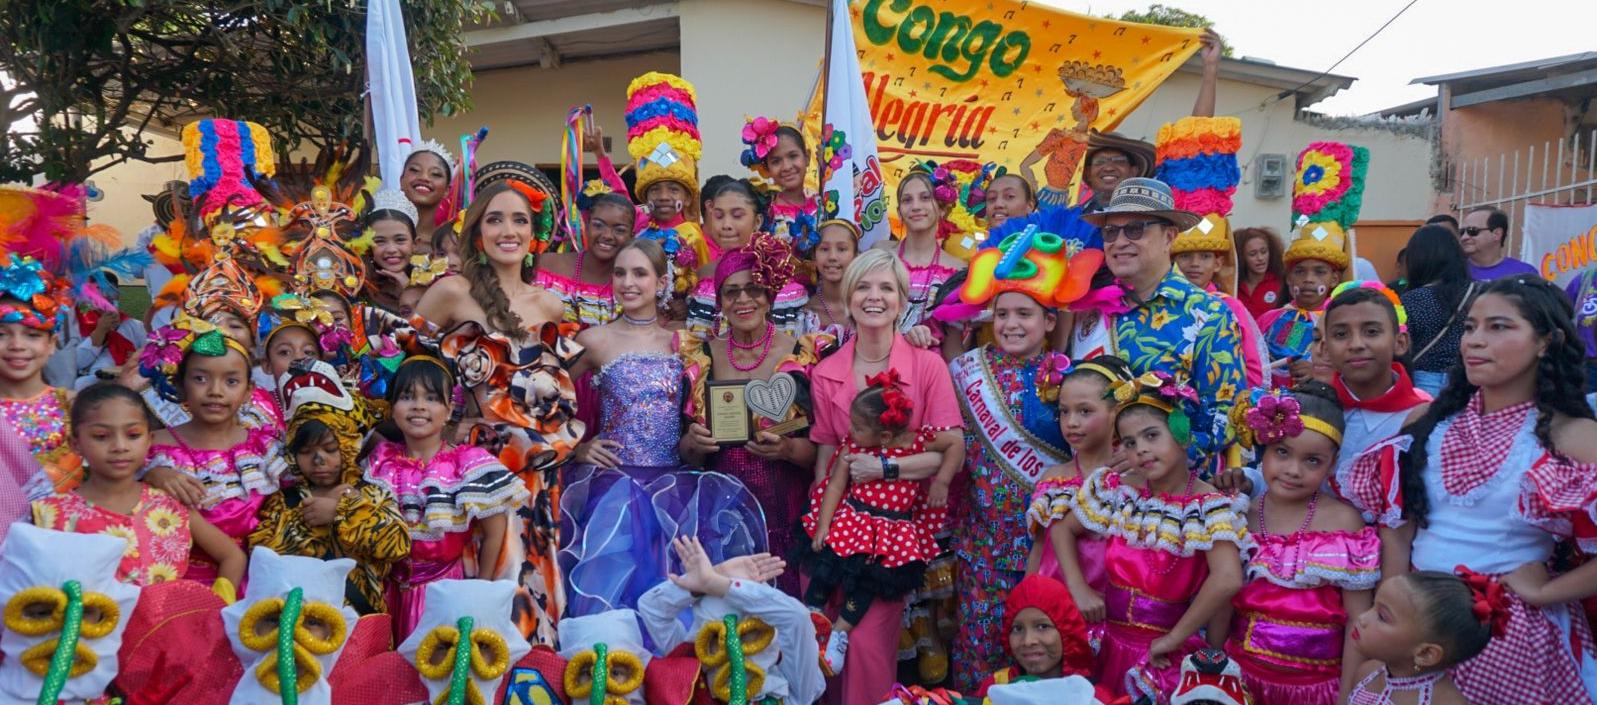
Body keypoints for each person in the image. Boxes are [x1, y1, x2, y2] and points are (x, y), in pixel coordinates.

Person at [1342, 275, 1597, 703]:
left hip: (1511, 632)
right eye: (1469, 327)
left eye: (1498, 327)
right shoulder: (1428, 422)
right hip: (1420, 627)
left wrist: (1545, 592)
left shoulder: (1572, 435)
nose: (1475, 340)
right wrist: (1394, 614)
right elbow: (1399, 532)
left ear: (1545, 342)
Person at [560, 239, 766, 615]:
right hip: (615, 490)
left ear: (662, 282)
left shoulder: (686, 343)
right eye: (620, 273)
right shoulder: (594, 340)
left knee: (675, 597)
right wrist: (576, 446)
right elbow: (545, 397)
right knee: (614, 597)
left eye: (639, 273)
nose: (628, 282)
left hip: (676, 492)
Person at [807, 249, 964, 705]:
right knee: (820, 636)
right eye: (863, 287)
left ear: (901, 301)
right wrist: (820, 522)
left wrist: (884, 468)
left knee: (866, 643)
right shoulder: (826, 372)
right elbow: (826, 455)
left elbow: (950, 451)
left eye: (886, 288)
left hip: (893, 534)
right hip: (837, 524)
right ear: (848, 297)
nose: (873, 297)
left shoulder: (927, 365)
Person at [942, 226, 1096, 690]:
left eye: (1024, 314)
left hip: (1050, 544)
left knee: (1045, 654)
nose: (1011, 324)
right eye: (1003, 313)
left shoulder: (1069, 379)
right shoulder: (967, 370)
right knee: (979, 647)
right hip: (981, 541)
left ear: (1049, 322)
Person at [1056, 372, 1246, 699]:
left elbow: (1227, 579)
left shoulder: (1208, 505)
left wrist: (1174, 639)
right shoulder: (1121, 491)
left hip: (1164, 654)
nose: (1141, 450)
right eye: (1130, 443)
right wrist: (1079, 588)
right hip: (1107, 640)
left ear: (1182, 436)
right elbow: (1063, 528)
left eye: (1151, 436)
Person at [678, 235, 824, 596]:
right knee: (727, 610)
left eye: (753, 289)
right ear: (720, 303)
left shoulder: (801, 355)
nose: (743, 299)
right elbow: (685, 452)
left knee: (783, 605)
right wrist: (695, 444)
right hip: (721, 512)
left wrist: (788, 450)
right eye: (732, 292)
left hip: (786, 507)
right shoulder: (701, 357)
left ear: (769, 297)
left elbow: (824, 448)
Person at [1218, 384, 1376, 704]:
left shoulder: (1345, 524)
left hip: (1317, 690)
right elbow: (1221, 601)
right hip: (1240, 681)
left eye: (1312, 461)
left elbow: (1358, 621)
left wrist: (1347, 696)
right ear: (1263, 447)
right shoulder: (1240, 515)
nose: (1293, 470)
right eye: (1282, 452)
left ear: (1332, 464)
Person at [1078, 178, 1247, 476]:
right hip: (1094, 485)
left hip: (1173, 492)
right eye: (1110, 231)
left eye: (1135, 229)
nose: (1119, 242)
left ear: (1169, 236)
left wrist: (1152, 453)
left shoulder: (1208, 314)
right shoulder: (1089, 310)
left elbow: (1227, 415)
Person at [797, 375, 956, 674]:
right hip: (853, 522)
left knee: (869, 585)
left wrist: (943, 481)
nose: (850, 430)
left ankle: (838, 635)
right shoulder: (853, 448)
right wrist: (823, 525)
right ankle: (811, 617)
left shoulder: (915, 443)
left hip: (892, 534)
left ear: (884, 435)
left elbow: (955, 444)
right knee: (827, 567)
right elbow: (835, 485)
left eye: (857, 427)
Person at [363, 357, 529, 642]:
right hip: (384, 593)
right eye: (407, 397)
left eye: (431, 398)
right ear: (392, 407)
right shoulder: (381, 461)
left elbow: (495, 532)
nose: (418, 406)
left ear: (449, 410)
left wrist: (479, 592)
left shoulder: (467, 464)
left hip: (444, 595)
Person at [33, 382, 246, 588]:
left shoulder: (171, 505)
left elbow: (232, 556)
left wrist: (218, 602)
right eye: (101, 436)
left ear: (149, 439)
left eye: (133, 435)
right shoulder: (52, 514)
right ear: (76, 444)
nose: (120, 446)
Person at [249, 359, 410, 615]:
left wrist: (342, 511)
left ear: (347, 446)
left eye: (330, 449)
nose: (318, 460)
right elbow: (262, 558)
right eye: (306, 451)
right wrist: (303, 523)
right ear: (293, 455)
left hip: (361, 623)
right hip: (300, 622)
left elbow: (397, 545)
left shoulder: (371, 492)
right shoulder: (283, 502)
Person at [140, 318, 286, 586]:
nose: (215, 391)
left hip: (256, 585)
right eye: (200, 379)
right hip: (171, 586)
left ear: (248, 391)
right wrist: (151, 477)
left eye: (231, 381)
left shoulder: (265, 450)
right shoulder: (151, 449)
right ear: (180, 384)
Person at [1025, 356, 1133, 650]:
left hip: (1113, 615)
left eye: (1085, 411)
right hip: (1054, 615)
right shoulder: (1053, 478)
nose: (1071, 422)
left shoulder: (1133, 480)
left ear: (1116, 413)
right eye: (1064, 411)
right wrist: (1027, 605)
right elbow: (1039, 550)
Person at [640, 537, 824, 705]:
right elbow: (651, 607)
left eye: (749, 634)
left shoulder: (793, 693)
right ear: (700, 642)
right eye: (716, 637)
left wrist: (720, 584)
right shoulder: (689, 675)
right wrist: (716, 574)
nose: (733, 648)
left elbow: (797, 618)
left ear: (770, 638)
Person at [413, 181, 565, 340]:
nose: (509, 232)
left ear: (532, 233)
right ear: (477, 232)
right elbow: (408, 350)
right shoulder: (450, 290)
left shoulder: (551, 306)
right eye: (495, 220)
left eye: (520, 221)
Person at [1320, 283, 1431, 490]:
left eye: (1371, 332)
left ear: (1400, 343)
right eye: (1341, 334)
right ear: (1325, 349)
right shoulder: (1311, 408)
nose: (1356, 344)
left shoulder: (1422, 416)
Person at [1344, 570, 1505, 705]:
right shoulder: (1367, 673)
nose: (1362, 618)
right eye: (1373, 605)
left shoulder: (1445, 702)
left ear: (1425, 654)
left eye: (1382, 616)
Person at [0, 253, 81, 497]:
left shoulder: (75, 406)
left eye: (32, 335)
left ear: (51, 344)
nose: (17, 345)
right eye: (1, 334)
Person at [685, 180, 810, 337]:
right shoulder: (701, 275)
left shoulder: (781, 281)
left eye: (737, 216)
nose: (726, 225)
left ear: (757, 221)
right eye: (718, 216)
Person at [973, 574, 1105, 702]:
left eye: (1042, 627)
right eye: (1017, 629)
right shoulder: (995, 687)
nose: (1028, 641)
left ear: (1068, 632)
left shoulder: (1090, 697)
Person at [873, 168, 965, 337]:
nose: (915, 206)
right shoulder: (879, 253)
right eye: (907, 200)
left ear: (942, 209)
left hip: (930, 353)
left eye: (925, 198)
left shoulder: (957, 270)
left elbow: (953, 338)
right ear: (899, 212)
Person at [1259, 222, 1350, 388]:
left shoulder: (1342, 321)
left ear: (1334, 279)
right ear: (1289, 278)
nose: (1308, 279)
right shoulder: (1268, 320)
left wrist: (1318, 373)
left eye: (1319, 272)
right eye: (1300, 271)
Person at [535, 190, 638, 328]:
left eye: (619, 230)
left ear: (631, 236)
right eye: (598, 225)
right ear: (587, 225)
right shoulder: (545, 265)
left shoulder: (635, 285)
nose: (607, 235)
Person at [1399, 226, 1476, 397]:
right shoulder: (1477, 292)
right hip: (1468, 378)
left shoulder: (1411, 299)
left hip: (1424, 380)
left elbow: (1404, 348)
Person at [743, 120, 820, 256]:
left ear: (807, 158)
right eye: (776, 161)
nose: (786, 167)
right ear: (767, 168)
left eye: (793, 156)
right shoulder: (766, 215)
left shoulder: (822, 204)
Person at [801, 219, 859, 342]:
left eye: (842, 249)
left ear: (855, 256)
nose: (832, 257)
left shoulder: (868, 306)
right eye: (824, 249)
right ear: (814, 256)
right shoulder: (803, 313)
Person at [362, 191, 420, 313]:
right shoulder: (358, 286)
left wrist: (407, 290)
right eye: (380, 241)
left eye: (400, 240)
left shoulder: (430, 284)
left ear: (415, 244)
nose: (391, 249)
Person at [1460, 207, 1536, 281]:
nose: (1464, 237)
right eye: (1462, 232)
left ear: (1497, 234)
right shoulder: (1454, 270)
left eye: (1472, 231)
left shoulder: (1524, 273)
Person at [400, 140, 456, 232]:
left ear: (447, 190)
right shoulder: (376, 231)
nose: (424, 177)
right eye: (415, 170)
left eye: (435, 174)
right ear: (401, 180)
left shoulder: (454, 239)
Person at [1235, 227, 1287, 320]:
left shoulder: (1282, 282)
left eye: (1264, 252)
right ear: (1241, 257)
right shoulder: (1233, 285)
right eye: (1252, 254)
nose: (1260, 258)